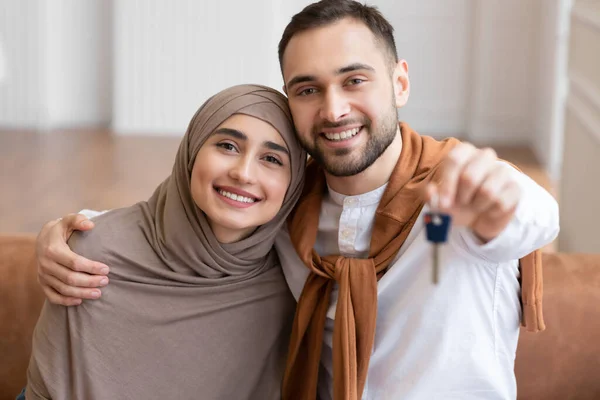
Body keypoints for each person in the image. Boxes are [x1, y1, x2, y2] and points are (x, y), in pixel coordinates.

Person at [33, 1, 560, 399]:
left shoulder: (455, 195)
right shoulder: (287, 209)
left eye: (355, 80)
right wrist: (60, 234)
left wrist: (498, 204)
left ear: (400, 82)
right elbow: (186, 229)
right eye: (307, 90)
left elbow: (531, 216)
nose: (333, 110)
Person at [23, 84, 306, 400]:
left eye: (271, 159)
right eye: (227, 146)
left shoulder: (292, 279)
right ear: (192, 149)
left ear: (294, 183)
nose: (243, 173)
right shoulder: (93, 255)